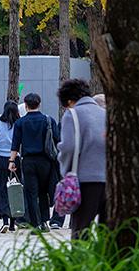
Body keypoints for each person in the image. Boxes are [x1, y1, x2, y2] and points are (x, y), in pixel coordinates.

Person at [57, 79, 106, 239]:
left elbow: (69, 147)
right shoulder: (106, 114)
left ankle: (81, 262)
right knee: (106, 232)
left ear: (70, 101)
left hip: (85, 181)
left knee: (81, 230)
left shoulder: (72, 115)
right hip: (109, 181)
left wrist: (65, 171)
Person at [9, 92, 60, 231]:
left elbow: (15, 144)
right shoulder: (48, 120)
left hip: (28, 161)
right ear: (39, 104)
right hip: (45, 161)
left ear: (25, 106)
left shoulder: (20, 123)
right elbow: (57, 140)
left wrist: (11, 161)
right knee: (44, 192)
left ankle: (35, 223)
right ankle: (45, 222)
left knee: (31, 192)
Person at [0, 101, 20, 233]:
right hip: (15, 160)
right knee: (14, 190)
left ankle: (5, 220)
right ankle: (13, 222)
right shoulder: (18, 125)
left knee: (0, 190)